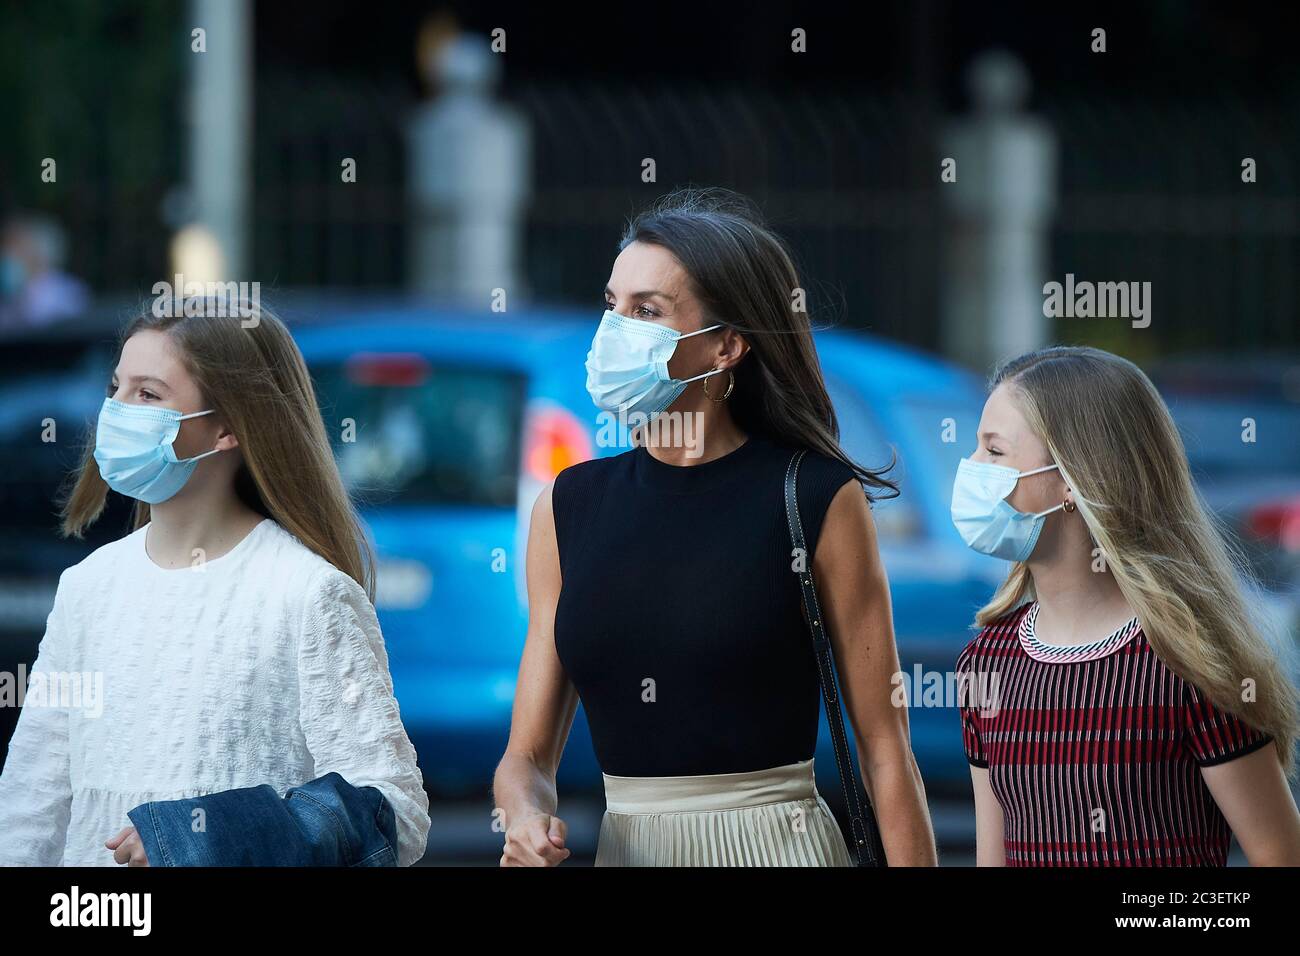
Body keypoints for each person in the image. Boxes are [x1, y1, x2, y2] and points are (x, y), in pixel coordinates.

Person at [493, 187, 936, 866]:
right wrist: (524, 815)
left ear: (726, 346)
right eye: (612, 306)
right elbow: (525, 758)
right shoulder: (568, 505)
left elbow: (884, 747)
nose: (615, 330)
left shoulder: (813, 495)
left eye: (647, 311)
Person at [0, 299, 431, 866]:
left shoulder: (304, 593)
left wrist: (207, 835)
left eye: (148, 395)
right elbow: (32, 803)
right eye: (116, 388)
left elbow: (393, 812)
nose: (116, 410)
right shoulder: (88, 586)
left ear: (227, 427)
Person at [954, 345, 1300, 866]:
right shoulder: (986, 663)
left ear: (1072, 478)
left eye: (994, 452)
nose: (971, 468)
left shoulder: (1190, 662)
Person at [0, 214, 89, 329]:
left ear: (39, 254)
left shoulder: (69, 295)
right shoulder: (9, 297)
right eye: (5, 248)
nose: (7, 255)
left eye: (17, 248)